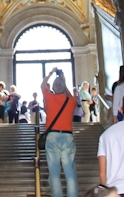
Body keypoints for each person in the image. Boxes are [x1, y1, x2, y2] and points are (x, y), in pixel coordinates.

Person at [41, 67, 78, 197]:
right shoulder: (71, 101)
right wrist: (63, 81)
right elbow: (70, 95)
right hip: (67, 136)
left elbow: (43, 85)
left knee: (54, 173)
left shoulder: (49, 97)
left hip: (52, 136)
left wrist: (51, 73)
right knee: (70, 172)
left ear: (54, 89)